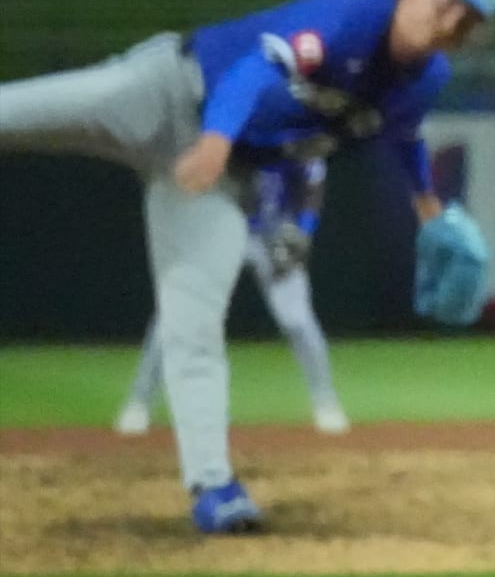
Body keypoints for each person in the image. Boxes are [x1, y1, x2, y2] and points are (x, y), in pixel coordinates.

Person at [0, 0, 495, 531]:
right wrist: (216, 137)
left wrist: (426, 204)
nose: (445, 26)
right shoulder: (348, 20)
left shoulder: (426, 80)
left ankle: (214, 489)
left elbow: (403, 134)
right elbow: (254, 70)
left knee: (194, 323)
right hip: (165, 91)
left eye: (464, 23)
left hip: (220, 175)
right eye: (444, 5)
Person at [117, 158, 351, 437]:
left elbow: (313, 181)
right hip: (217, 229)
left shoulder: (289, 127)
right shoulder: (221, 126)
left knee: (298, 321)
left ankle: (326, 403)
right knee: (175, 316)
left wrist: (304, 231)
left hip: (274, 236)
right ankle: (139, 402)